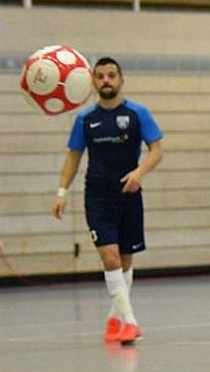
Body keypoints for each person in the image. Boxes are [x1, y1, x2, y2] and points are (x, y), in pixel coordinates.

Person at [52, 56, 164, 345]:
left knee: (124, 260)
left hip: (129, 195)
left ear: (121, 80)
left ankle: (115, 319)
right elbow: (73, 158)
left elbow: (156, 150)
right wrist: (61, 193)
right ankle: (130, 322)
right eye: (100, 76)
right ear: (93, 82)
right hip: (98, 197)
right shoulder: (85, 119)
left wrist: (139, 173)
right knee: (110, 257)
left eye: (111, 75)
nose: (106, 80)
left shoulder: (138, 113)